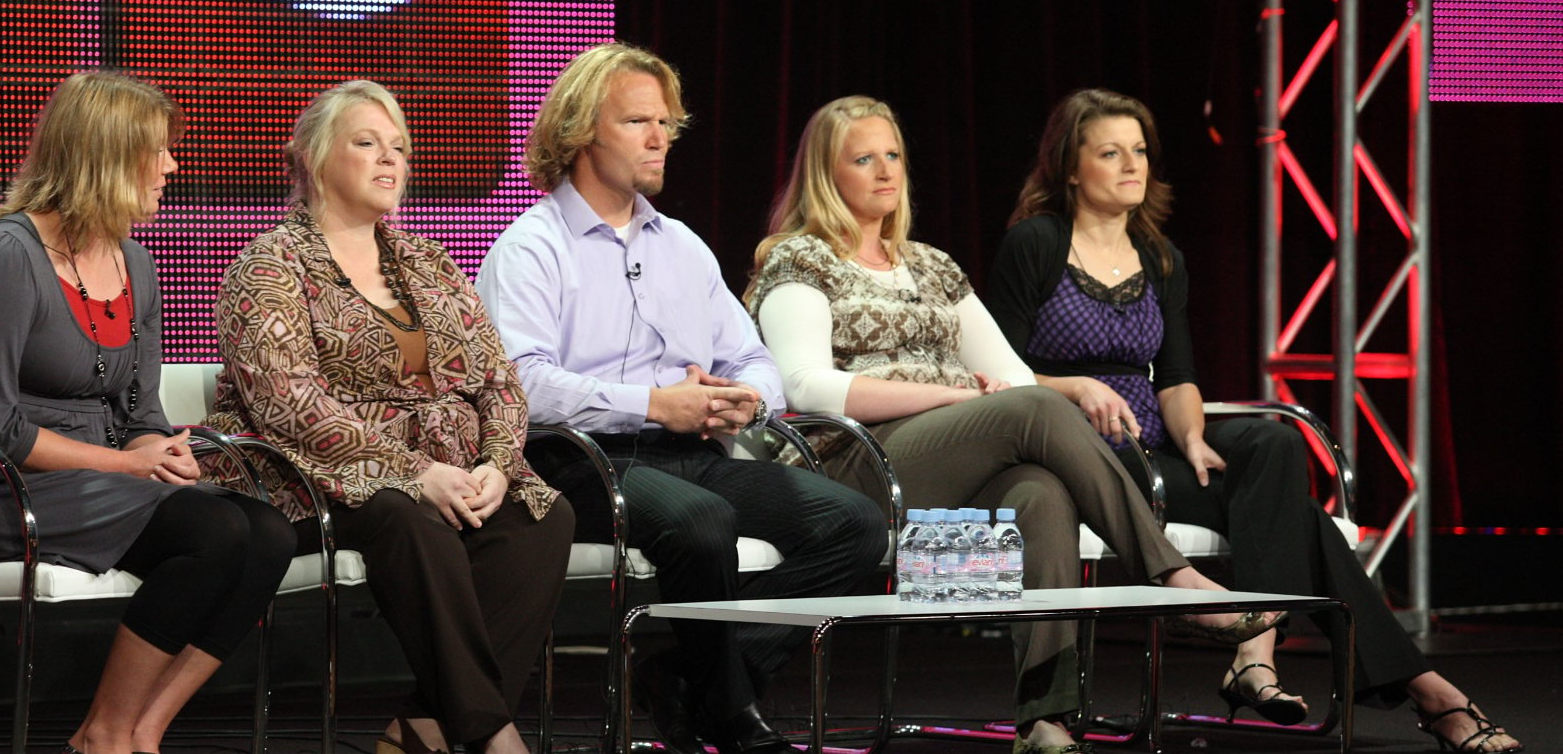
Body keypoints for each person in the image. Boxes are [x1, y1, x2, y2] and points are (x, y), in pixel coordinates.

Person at [985, 86, 1520, 753]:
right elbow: (995, 371)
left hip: (1155, 449)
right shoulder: (1034, 244)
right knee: (1306, 522)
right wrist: (1076, 388)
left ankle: (1256, 648)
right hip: (1078, 454)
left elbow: (1177, 377)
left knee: (1269, 440)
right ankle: (1427, 692)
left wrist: (1193, 440)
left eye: (1141, 151)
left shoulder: (1159, 255)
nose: (1133, 165)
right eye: (1110, 152)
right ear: (1070, 167)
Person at [746, 95, 1286, 754]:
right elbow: (806, 387)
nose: (885, 172)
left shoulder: (934, 267)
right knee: (1033, 412)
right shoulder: (800, 260)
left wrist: (985, 397)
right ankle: (1171, 578)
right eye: (864, 159)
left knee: (1040, 493)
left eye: (893, 156)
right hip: (847, 468)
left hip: (941, 466)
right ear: (827, 176)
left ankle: (1044, 719)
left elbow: (1013, 374)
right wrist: (945, 399)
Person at [476, 44, 886, 754]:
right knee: (703, 522)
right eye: (638, 121)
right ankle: (730, 716)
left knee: (853, 523)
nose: (661, 138)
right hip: (579, 462)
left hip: (691, 449)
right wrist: (652, 403)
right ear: (580, 133)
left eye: (666, 122)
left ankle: (692, 678)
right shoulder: (531, 248)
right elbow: (522, 387)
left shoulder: (683, 247)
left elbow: (757, 360)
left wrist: (746, 399)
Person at [0, 71, 295, 754]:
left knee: (266, 531)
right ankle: (106, 734)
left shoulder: (136, 264)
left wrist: (164, 448)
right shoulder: (5, 257)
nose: (172, 167)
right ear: (106, 156)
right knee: (214, 534)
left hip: (96, 481)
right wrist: (127, 462)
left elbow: (142, 409)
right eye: (158, 151)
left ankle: (142, 731)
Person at [203, 80, 574, 754]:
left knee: (542, 516)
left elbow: (498, 380)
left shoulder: (427, 262)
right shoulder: (269, 266)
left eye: (399, 148)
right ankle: (492, 735)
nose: (390, 161)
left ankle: (424, 724)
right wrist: (412, 470)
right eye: (367, 143)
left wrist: (496, 463)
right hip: (317, 474)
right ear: (314, 159)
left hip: (449, 471)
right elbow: (290, 404)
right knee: (410, 517)